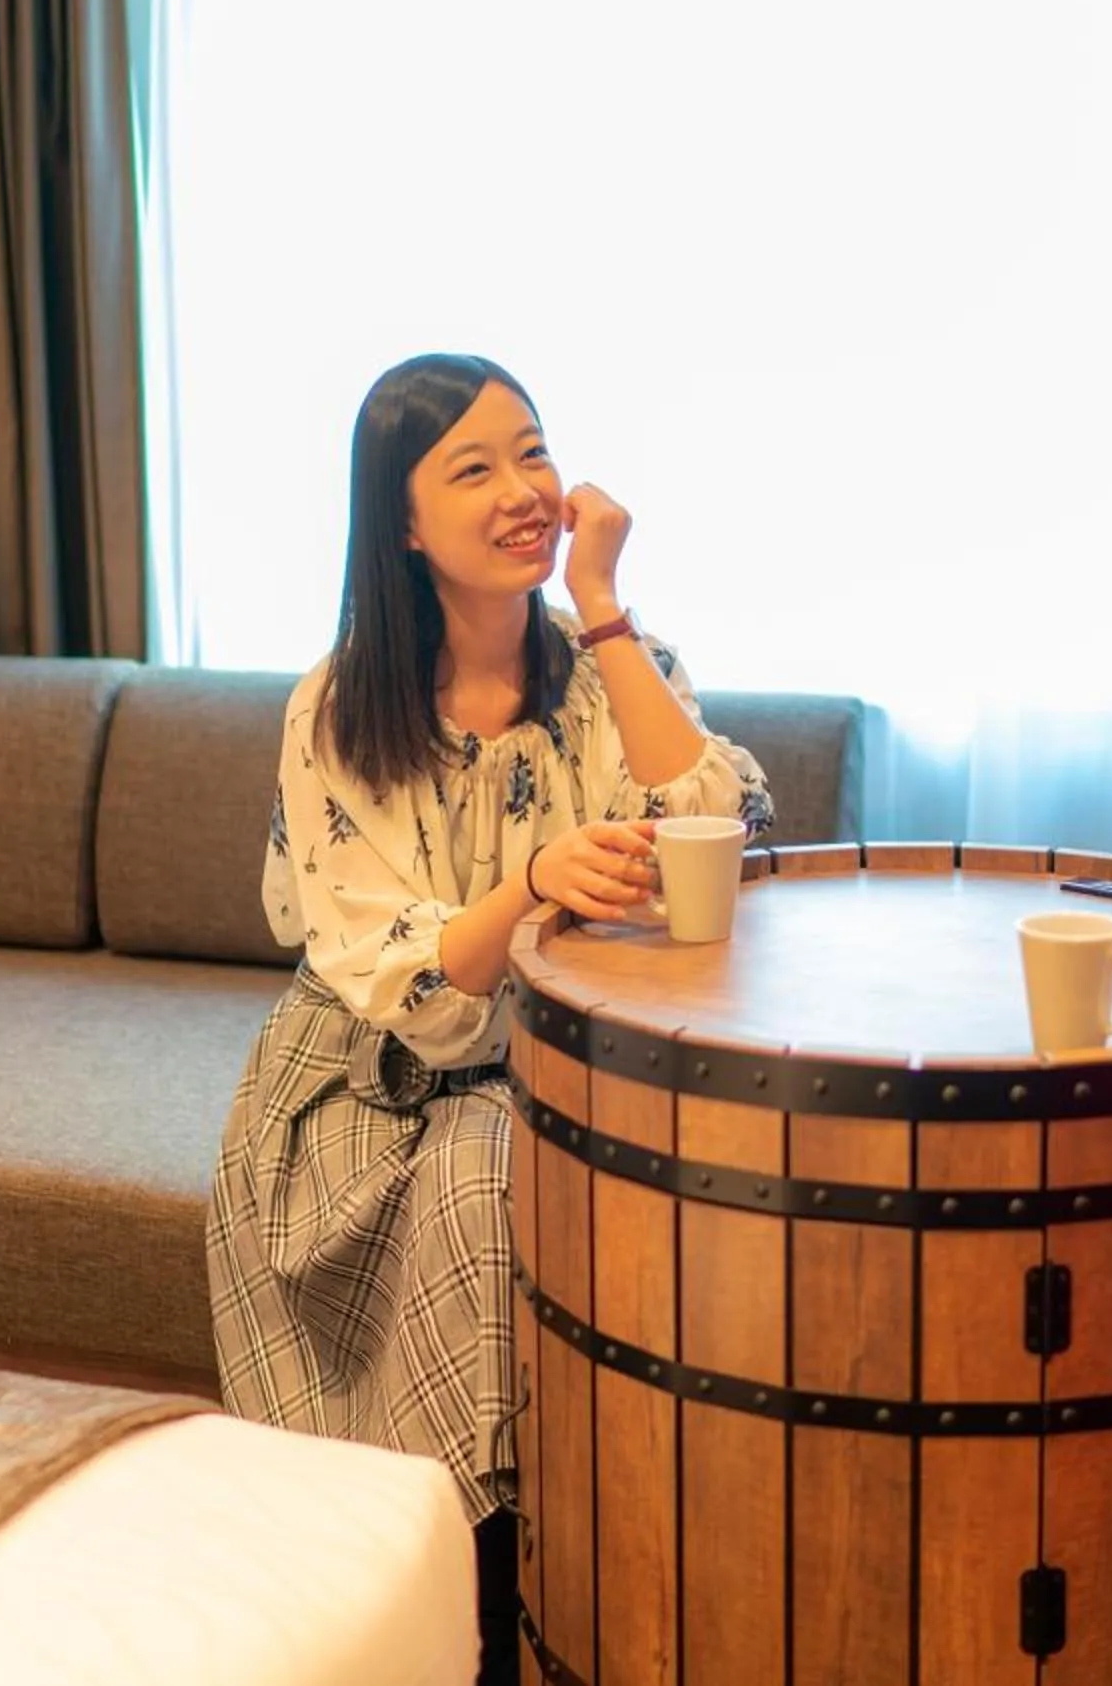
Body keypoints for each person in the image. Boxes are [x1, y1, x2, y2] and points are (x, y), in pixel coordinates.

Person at [206, 353, 771, 1681]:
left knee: (518, 1161)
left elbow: (723, 827)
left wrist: (604, 607)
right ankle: (479, 1616)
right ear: (403, 524)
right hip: (368, 1088)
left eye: (534, 452)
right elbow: (411, 994)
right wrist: (532, 887)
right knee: (482, 1170)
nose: (522, 490)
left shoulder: (615, 668)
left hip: (573, 1071)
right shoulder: (341, 707)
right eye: (474, 468)